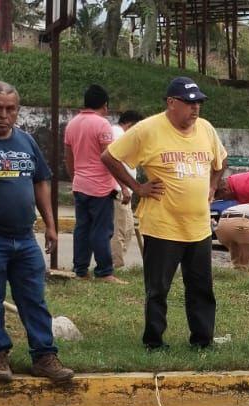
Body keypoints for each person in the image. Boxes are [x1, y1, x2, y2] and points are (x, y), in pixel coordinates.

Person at [0, 81, 74, 384]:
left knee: (34, 299)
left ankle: (44, 356)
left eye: (10, 109)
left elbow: (40, 181)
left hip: (25, 237)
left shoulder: (26, 141)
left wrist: (50, 225)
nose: (3, 115)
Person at [102, 77, 227, 351]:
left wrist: (213, 185)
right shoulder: (148, 129)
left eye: (198, 103)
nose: (195, 108)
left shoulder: (205, 129)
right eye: (189, 103)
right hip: (162, 226)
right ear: (171, 103)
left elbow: (221, 160)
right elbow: (109, 157)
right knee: (158, 289)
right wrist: (137, 187)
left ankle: (202, 341)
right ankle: (154, 342)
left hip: (198, 227)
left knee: (201, 288)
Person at [63, 84, 122, 282]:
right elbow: (109, 158)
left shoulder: (72, 124)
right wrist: (122, 185)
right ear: (105, 105)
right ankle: (104, 272)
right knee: (101, 229)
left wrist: (75, 178)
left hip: (80, 184)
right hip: (100, 186)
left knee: (82, 228)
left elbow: (68, 157)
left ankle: (80, 270)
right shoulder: (102, 124)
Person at [109, 109, 144, 270]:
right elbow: (111, 162)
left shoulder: (120, 134)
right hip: (119, 190)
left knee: (127, 228)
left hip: (124, 191)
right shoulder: (118, 134)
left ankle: (116, 263)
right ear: (130, 125)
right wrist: (123, 187)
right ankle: (114, 265)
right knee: (120, 230)